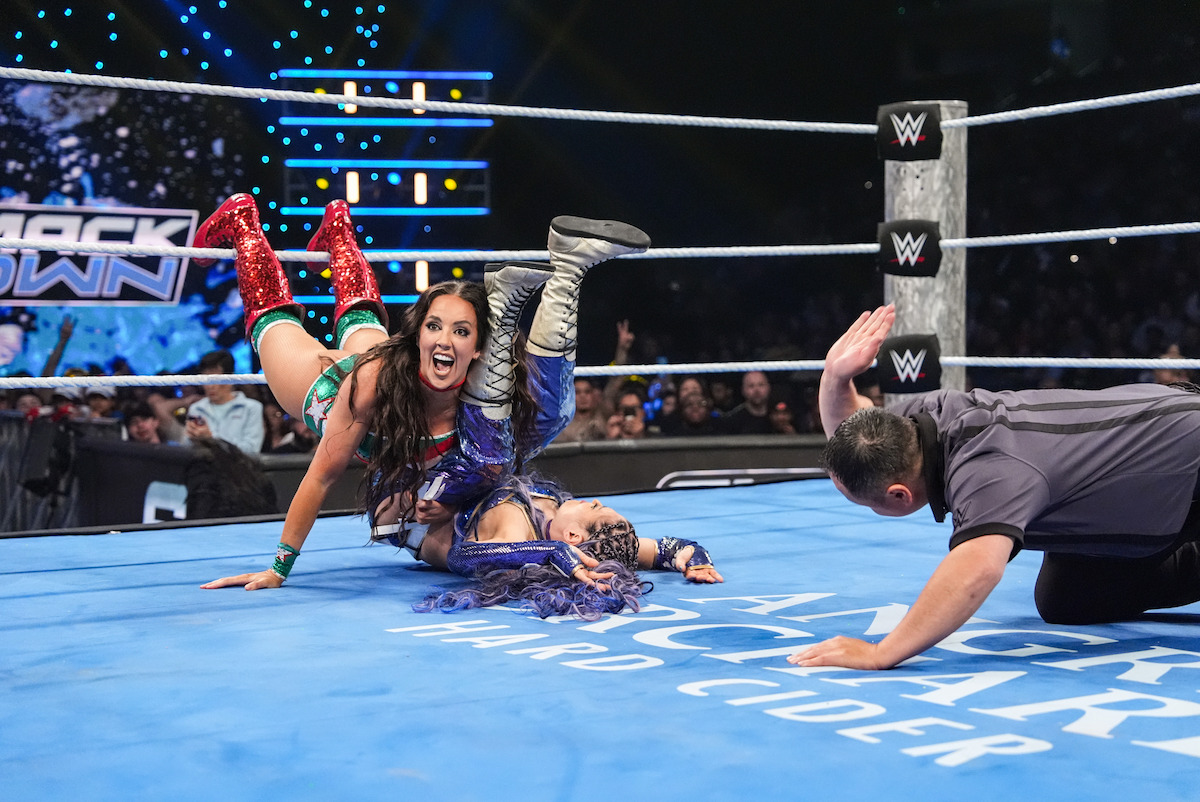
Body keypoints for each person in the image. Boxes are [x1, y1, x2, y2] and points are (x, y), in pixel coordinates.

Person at [199, 194, 650, 591]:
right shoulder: (375, 378)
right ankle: (243, 224)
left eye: (460, 331)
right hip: (329, 389)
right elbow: (321, 476)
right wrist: (279, 568)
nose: (443, 340)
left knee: (360, 320)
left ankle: (337, 232)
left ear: (478, 350)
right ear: (418, 335)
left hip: (392, 381)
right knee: (272, 321)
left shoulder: (484, 396)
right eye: (433, 326)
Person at [789, 304, 1200, 671]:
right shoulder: (925, 419)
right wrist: (835, 377)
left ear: (900, 495)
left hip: (1188, 460)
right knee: (1067, 598)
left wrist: (881, 652)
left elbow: (977, 569)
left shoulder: (989, 473)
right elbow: (856, 431)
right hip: (1156, 454)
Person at [153, 349, 264, 454]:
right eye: (205, 380)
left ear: (231, 378)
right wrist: (193, 439)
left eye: (215, 380)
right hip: (204, 470)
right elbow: (188, 449)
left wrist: (212, 439)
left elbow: (252, 451)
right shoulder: (196, 408)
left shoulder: (252, 408)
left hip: (240, 471)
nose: (210, 386)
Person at [721, 370, 773, 435]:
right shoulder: (732, 420)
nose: (757, 390)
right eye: (751, 386)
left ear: (768, 388)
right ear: (743, 390)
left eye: (761, 385)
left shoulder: (779, 416)